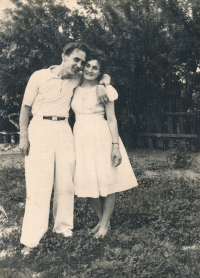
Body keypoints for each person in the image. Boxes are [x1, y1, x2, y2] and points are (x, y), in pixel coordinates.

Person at [19, 42, 110, 254]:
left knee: (65, 182)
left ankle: (63, 230)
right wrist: (23, 136)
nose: (79, 65)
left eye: (82, 62)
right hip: (39, 127)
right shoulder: (39, 76)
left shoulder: (78, 78)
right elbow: (25, 108)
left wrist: (103, 84)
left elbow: (103, 76)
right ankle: (32, 240)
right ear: (64, 56)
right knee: (38, 185)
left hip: (63, 130)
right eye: (76, 60)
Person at [71, 50, 138, 239]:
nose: (90, 70)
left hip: (101, 136)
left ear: (100, 72)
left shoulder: (106, 90)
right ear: (82, 66)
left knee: (107, 180)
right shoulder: (74, 86)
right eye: (88, 66)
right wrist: (102, 81)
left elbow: (112, 119)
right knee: (86, 180)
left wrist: (115, 145)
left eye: (96, 68)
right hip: (80, 137)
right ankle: (102, 220)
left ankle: (105, 223)